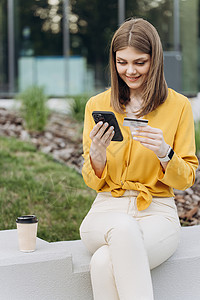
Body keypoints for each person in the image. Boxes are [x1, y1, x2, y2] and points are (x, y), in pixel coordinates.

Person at [79, 18, 199, 300]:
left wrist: (165, 153)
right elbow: (92, 181)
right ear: (114, 61)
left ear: (154, 61)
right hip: (106, 210)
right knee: (122, 226)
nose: (129, 71)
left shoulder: (178, 106)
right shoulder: (97, 105)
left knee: (102, 262)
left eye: (139, 62)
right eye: (122, 62)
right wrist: (96, 155)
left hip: (157, 211)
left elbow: (187, 179)